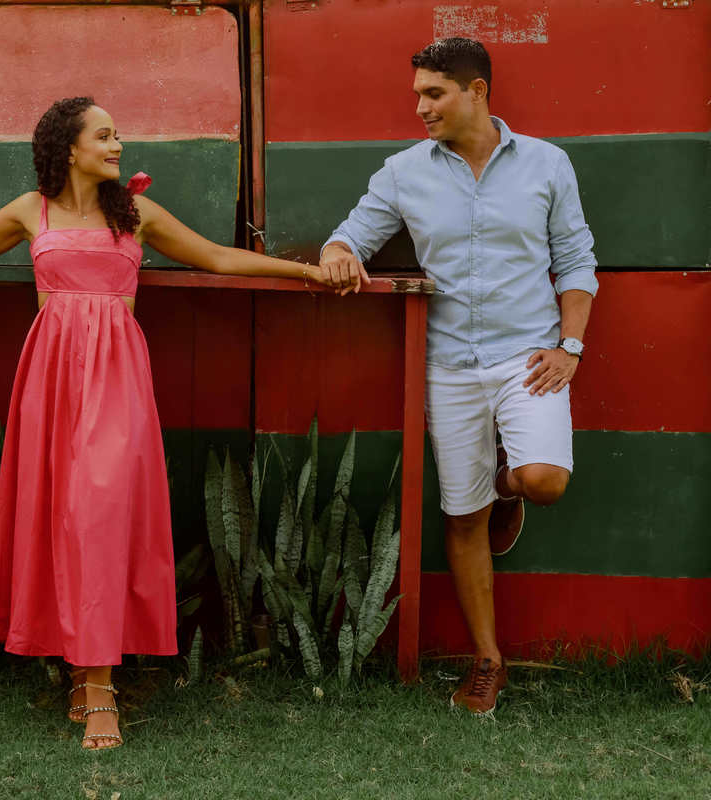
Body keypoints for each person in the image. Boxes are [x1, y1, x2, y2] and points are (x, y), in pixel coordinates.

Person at [0, 96, 356, 749]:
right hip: (51, 382)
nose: (118, 145)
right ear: (69, 148)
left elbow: (217, 258)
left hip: (117, 381)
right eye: (105, 136)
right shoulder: (28, 211)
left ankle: (99, 690)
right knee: (60, 518)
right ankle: (81, 670)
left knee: (99, 512)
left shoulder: (137, 213)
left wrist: (306, 273)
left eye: (118, 135)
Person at [321, 38, 597, 714]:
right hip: (447, 364)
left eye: (433, 93)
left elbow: (578, 259)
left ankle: (510, 489)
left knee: (545, 482)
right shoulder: (404, 171)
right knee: (461, 515)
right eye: (418, 92)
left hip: (529, 357)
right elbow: (352, 233)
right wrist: (335, 253)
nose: (420, 106)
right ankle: (488, 660)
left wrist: (570, 346)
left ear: (476, 91)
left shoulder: (546, 164)